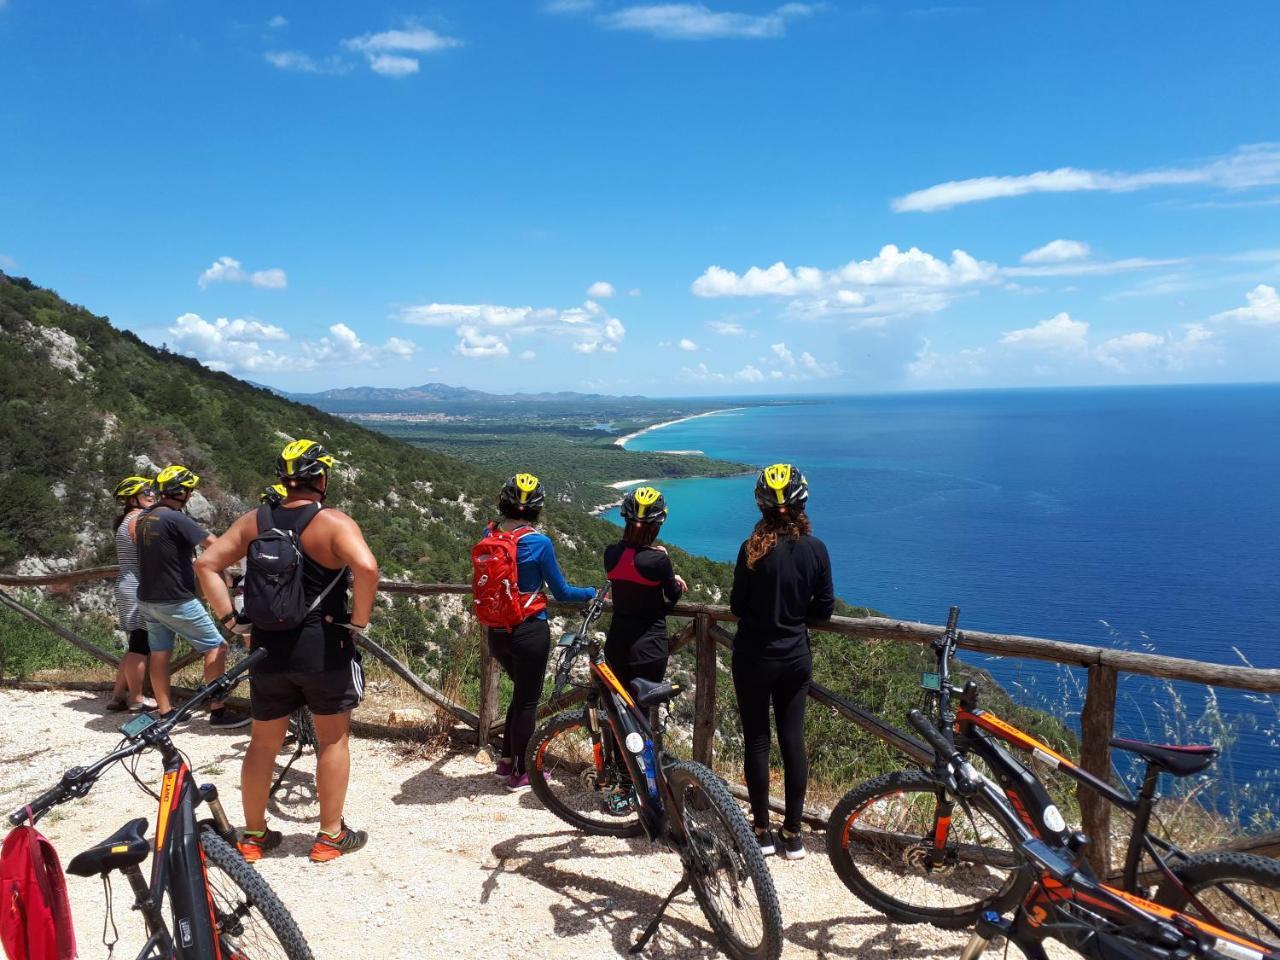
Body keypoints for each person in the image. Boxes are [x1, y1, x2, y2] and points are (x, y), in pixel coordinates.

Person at [195, 439, 379, 863]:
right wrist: (359, 621)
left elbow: (205, 564)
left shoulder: (254, 521)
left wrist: (231, 620)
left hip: (267, 650)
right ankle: (330, 837)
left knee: (263, 744)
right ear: (321, 479)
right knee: (332, 740)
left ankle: (254, 836)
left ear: (284, 480)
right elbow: (367, 567)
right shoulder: (332, 522)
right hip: (323, 647)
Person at [730, 464, 833, 861]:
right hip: (794, 656)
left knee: (757, 740)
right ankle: (793, 834)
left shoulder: (750, 549)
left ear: (761, 506)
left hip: (753, 655)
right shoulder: (816, 549)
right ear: (802, 503)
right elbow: (823, 609)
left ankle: (761, 831)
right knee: (793, 742)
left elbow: (738, 605)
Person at [482, 473, 594, 793]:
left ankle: (506, 762)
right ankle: (521, 771)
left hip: (497, 632)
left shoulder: (488, 533)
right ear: (537, 508)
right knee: (529, 700)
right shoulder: (539, 542)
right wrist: (592, 591)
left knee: (520, 695)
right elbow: (561, 591)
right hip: (529, 630)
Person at [134, 465, 245, 728]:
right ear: (182, 492)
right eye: (190, 491)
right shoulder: (177, 518)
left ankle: (165, 711)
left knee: (160, 653)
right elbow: (216, 545)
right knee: (217, 647)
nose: (192, 495)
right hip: (175, 599)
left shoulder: (144, 518)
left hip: (147, 598)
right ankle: (216, 710)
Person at [603, 486, 686, 693]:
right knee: (643, 713)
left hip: (616, 645)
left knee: (618, 712)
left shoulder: (610, 554)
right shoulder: (658, 560)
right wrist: (673, 577)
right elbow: (673, 595)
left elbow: (631, 570)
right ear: (656, 525)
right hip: (650, 648)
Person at [105, 476, 158, 712]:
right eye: (146, 491)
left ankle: (117, 696)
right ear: (132, 497)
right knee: (140, 644)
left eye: (153, 490)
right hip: (137, 586)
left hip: (126, 584)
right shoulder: (139, 518)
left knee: (134, 643)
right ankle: (136, 698)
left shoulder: (127, 518)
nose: (152, 494)